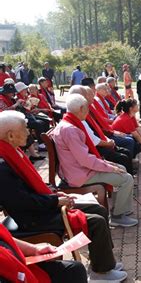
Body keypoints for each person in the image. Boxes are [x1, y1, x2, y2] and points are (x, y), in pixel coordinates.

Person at [0, 110, 128, 282]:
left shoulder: (14, 151)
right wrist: (54, 201)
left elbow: (32, 185)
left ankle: (103, 262)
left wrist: (53, 193)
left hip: (41, 205)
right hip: (32, 217)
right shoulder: (2, 165)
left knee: (98, 209)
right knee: (95, 221)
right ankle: (101, 273)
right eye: (25, 128)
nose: (29, 132)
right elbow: (22, 202)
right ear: (11, 135)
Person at [52, 94, 137, 228]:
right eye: (87, 107)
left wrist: (108, 164)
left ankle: (121, 209)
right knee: (126, 178)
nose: (88, 110)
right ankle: (117, 216)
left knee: (121, 167)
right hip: (79, 174)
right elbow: (85, 159)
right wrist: (109, 167)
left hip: (78, 169)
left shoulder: (68, 124)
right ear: (81, 108)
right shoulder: (70, 130)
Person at [0, 224, 87, 283]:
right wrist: (55, 201)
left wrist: (34, 249)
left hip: (17, 264)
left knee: (74, 269)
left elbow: (4, 235)